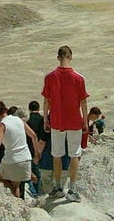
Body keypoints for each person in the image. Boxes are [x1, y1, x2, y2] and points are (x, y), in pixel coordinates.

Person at [42, 45, 89, 202]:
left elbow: (46, 101)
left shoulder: (49, 77)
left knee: (57, 154)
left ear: (58, 57)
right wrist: (85, 121)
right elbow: (83, 102)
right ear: (71, 57)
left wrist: (45, 119)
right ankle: (72, 190)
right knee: (74, 154)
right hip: (74, 121)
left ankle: (58, 187)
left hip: (57, 120)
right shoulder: (78, 78)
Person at [0, 101, 40, 198]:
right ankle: (28, 174)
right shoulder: (19, 120)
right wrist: (37, 153)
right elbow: (33, 136)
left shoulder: (1, 126)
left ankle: (17, 204)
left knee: (0, 177)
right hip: (26, 158)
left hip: (12, 160)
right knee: (16, 185)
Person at [26, 100, 45, 196]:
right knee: (38, 174)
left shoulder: (27, 122)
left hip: (29, 151)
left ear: (29, 109)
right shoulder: (43, 120)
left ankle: (33, 193)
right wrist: (39, 153)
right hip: (41, 150)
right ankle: (38, 193)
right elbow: (43, 138)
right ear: (38, 108)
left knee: (30, 173)